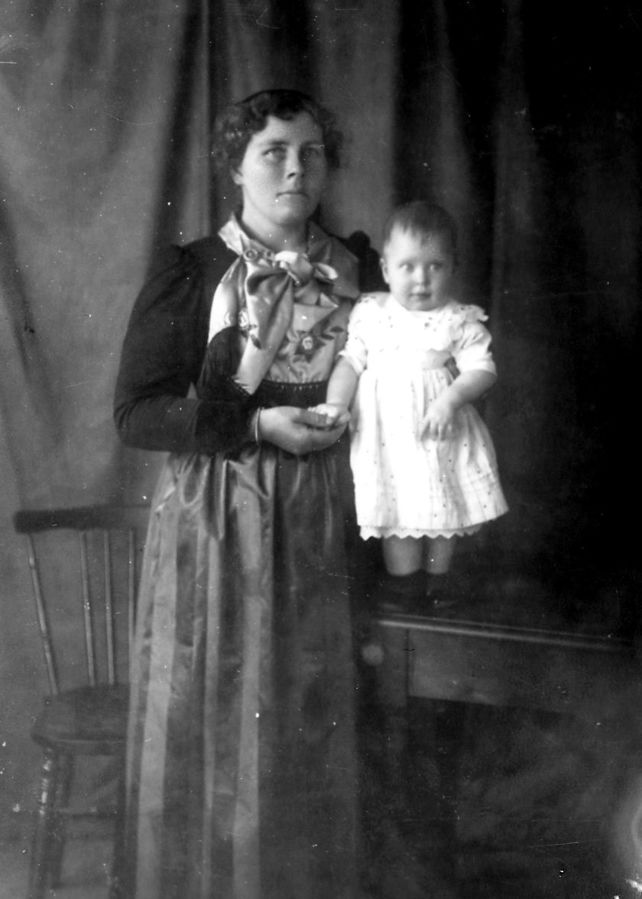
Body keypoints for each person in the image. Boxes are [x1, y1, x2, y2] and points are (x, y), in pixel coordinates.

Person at [113, 89, 383, 899]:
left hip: (327, 516)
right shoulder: (194, 270)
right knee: (219, 706)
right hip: (218, 519)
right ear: (235, 166)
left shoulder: (359, 267)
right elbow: (137, 413)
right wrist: (259, 425)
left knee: (313, 709)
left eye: (311, 152)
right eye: (273, 152)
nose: (296, 168)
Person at [313, 200, 508, 615]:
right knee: (394, 506)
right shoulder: (371, 312)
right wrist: (335, 403)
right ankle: (405, 583)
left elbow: (482, 369)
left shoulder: (457, 319)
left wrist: (450, 399)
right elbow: (349, 363)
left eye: (435, 266)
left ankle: (439, 579)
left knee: (443, 501)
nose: (421, 279)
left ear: (453, 268)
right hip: (385, 436)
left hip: (438, 429)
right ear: (386, 270)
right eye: (408, 266)